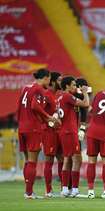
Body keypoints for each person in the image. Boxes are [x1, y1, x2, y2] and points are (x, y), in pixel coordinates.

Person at [17, 68, 57, 199]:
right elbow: (35, 106)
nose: (49, 82)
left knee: (27, 161)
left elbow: (19, 107)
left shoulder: (25, 88)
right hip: (33, 128)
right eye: (49, 79)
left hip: (22, 127)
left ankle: (28, 191)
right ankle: (28, 193)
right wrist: (49, 117)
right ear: (45, 77)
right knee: (32, 161)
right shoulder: (39, 89)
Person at [57, 76, 89, 197]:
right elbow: (86, 104)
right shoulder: (67, 96)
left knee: (67, 159)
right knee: (77, 159)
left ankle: (65, 189)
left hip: (64, 131)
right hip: (70, 131)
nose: (75, 87)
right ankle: (74, 189)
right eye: (74, 85)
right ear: (67, 86)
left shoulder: (60, 97)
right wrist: (85, 92)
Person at [42, 72, 63, 197]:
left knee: (62, 159)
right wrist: (49, 121)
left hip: (59, 131)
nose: (62, 82)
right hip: (49, 132)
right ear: (54, 82)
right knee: (49, 160)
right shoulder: (46, 94)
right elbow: (39, 112)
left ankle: (63, 188)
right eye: (60, 80)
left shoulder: (59, 95)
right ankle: (48, 190)